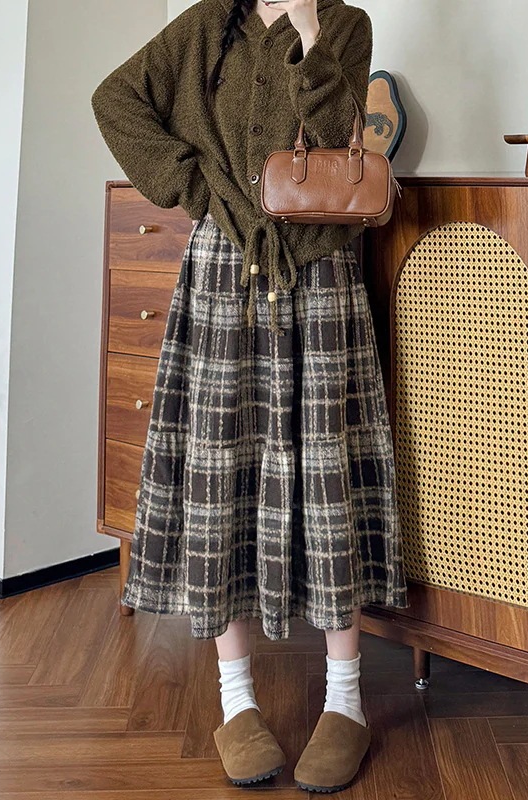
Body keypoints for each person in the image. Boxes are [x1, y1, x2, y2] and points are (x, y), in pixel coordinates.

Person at [91, 0, 408, 792]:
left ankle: (345, 703)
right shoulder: (208, 25)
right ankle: (236, 702)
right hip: (224, 269)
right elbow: (114, 98)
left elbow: (336, 134)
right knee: (218, 476)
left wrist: (309, 32)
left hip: (320, 271)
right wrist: (195, 184)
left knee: (328, 480)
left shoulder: (344, 23)